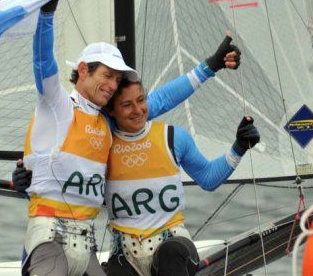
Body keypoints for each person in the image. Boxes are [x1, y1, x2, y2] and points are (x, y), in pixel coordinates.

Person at [19, 0, 241, 276]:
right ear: (83, 70)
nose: (112, 85)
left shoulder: (106, 122)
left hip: (87, 249)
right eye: (106, 76)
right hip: (50, 241)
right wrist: (47, 12)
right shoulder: (57, 105)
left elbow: (156, 100)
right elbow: (44, 64)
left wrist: (210, 67)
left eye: (116, 79)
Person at [103, 79, 259, 276]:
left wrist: (239, 147)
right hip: (124, 254)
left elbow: (208, 178)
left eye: (141, 100)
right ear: (111, 111)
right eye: (127, 105)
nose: (138, 110)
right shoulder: (103, 144)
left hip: (173, 245)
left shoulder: (173, 136)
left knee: (171, 253)